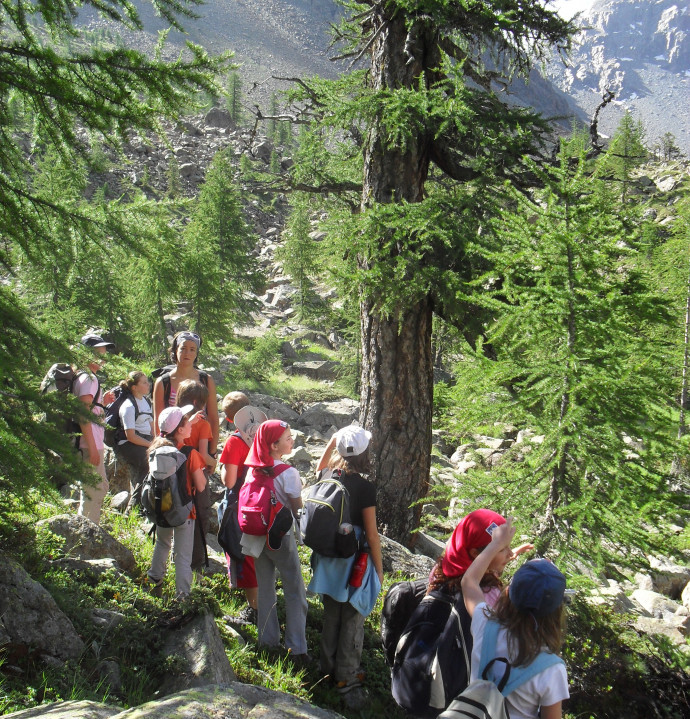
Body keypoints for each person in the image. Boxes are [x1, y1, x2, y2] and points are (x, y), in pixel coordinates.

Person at [307, 425, 384, 710]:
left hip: (327, 562)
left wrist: (332, 441)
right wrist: (379, 568)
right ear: (364, 454)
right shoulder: (364, 488)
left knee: (331, 617)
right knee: (352, 619)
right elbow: (372, 534)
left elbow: (319, 465)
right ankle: (346, 678)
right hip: (354, 565)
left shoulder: (327, 475)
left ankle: (326, 670)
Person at [462, 519, 569, 719]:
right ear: (556, 613)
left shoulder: (485, 625)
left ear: (508, 592)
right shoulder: (551, 669)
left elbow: (469, 582)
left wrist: (496, 544)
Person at [241, 419, 309, 662]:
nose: (292, 441)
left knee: (266, 589)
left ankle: (267, 642)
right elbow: (297, 508)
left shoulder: (252, 469)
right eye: (288, 438)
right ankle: (297, 648)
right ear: (273, 445)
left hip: (255, 536)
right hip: (280, 537)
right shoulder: (288, 473)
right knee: (295, 590)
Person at [146, 405, 207, 598]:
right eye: (187, 423)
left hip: (162, 506)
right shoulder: (190, 453)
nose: (191, 425)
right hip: (185, 512)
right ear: (180, 430)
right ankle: (183, 596)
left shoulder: (156, 449)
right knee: (183, 556)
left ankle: (154, 580)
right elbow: (201, 485)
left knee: (162, 543)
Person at [218, 393, 265, 625]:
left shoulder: (234, 442)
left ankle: (254, 610)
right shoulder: (264, 435)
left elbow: (228, 481)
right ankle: (265, 601)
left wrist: (220, 469)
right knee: (260, 552)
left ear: (229, 420)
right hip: (264, 502)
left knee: (243, 552)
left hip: (241, 502)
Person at [428, 509, 534, 607]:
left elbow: (482, 563)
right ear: (475, 553)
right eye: (501, 549)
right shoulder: (489, 594)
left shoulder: (440, 570)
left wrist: (503, 552)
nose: (510, 553)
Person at [152, 331, 219, 459]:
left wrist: (212, 451)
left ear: (196, 353)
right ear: (175, 350)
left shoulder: (206, 380)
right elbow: (158, 419)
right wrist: (160, 447)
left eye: (192, 349)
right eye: (183, 348)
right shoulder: (163, 382)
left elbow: (213, 418)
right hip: (173, 446)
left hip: (201, 445)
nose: (187, 353)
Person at [175, 379, 215, 574]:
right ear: (199, 402)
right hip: (196, 474)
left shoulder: (174, 419)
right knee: (201, 517)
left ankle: (177, 560)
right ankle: (196, 567)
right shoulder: (202, 423)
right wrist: (218, 464)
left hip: (175, 474)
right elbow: (204, 455)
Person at [75, 332, 114, 524]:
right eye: (98, 354)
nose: (102, 358)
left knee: (99, 487)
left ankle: (86, 530)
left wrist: (102, 402)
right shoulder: (89, 378)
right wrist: (92, 447)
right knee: (94, 490)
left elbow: (90, 410)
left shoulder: (84, 377)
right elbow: (83, 414)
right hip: (89, 443)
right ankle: (86, 536)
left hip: (89, 442)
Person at [113, 371, 153, 512]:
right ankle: (134, 506)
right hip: (128, 444)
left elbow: (151, 424)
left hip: (144, 440)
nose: (148, 384)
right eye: (144, 382)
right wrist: (151, 445)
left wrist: (157, 440)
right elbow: (130, 436)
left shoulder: (146, 401)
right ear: (134, 387)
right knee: (149, 464)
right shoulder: (128, 406)